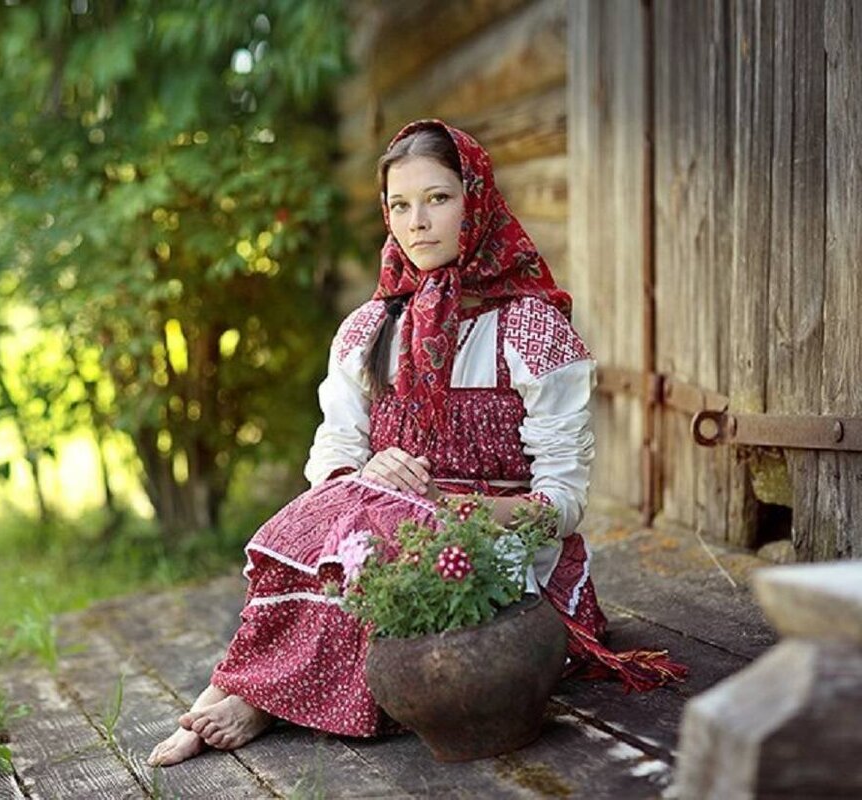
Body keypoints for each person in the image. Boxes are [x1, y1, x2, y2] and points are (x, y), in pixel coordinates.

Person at [147, 118, 684, 768]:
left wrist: (451, 507)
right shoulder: (368, 329)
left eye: (438, 198)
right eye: (400, 205)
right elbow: (330, 460)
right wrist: (370, 470)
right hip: (375, 525)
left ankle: (253, 697)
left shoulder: (531, 329)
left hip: (495, 543)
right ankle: (232, 686)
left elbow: (563, 504)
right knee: (345, 526)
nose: (417, 222)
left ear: (475, 199)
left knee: (384, 547)